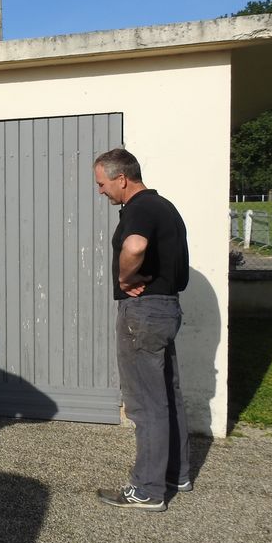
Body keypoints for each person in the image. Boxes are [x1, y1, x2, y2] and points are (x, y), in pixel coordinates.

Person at [93, 147, 191, 513]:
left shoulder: (140, 207)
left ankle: (147, 489)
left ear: (121, 178)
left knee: (146, 403)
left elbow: (134, 247)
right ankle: (176, 474)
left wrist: (124, 278)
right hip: (165, 309)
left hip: (144, 312)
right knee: (167, 394)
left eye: (102, 183)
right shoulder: (164, 206)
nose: (101, 190)